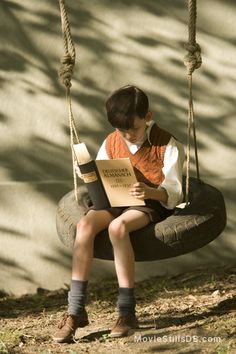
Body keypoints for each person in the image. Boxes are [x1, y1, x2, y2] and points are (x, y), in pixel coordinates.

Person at [53, 85, 185, 343]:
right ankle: (75, 310)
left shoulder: (166, 143)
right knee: (84, 226)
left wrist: (150, 191)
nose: (127, 136)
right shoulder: (112, 141)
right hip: (115, 198)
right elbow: (104, 173)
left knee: (118, 228)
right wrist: (89, 175)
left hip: (148, 202)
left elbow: (175, 192)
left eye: (132, 129)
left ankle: (126, 311)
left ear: (147, 117)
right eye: (121, 130)